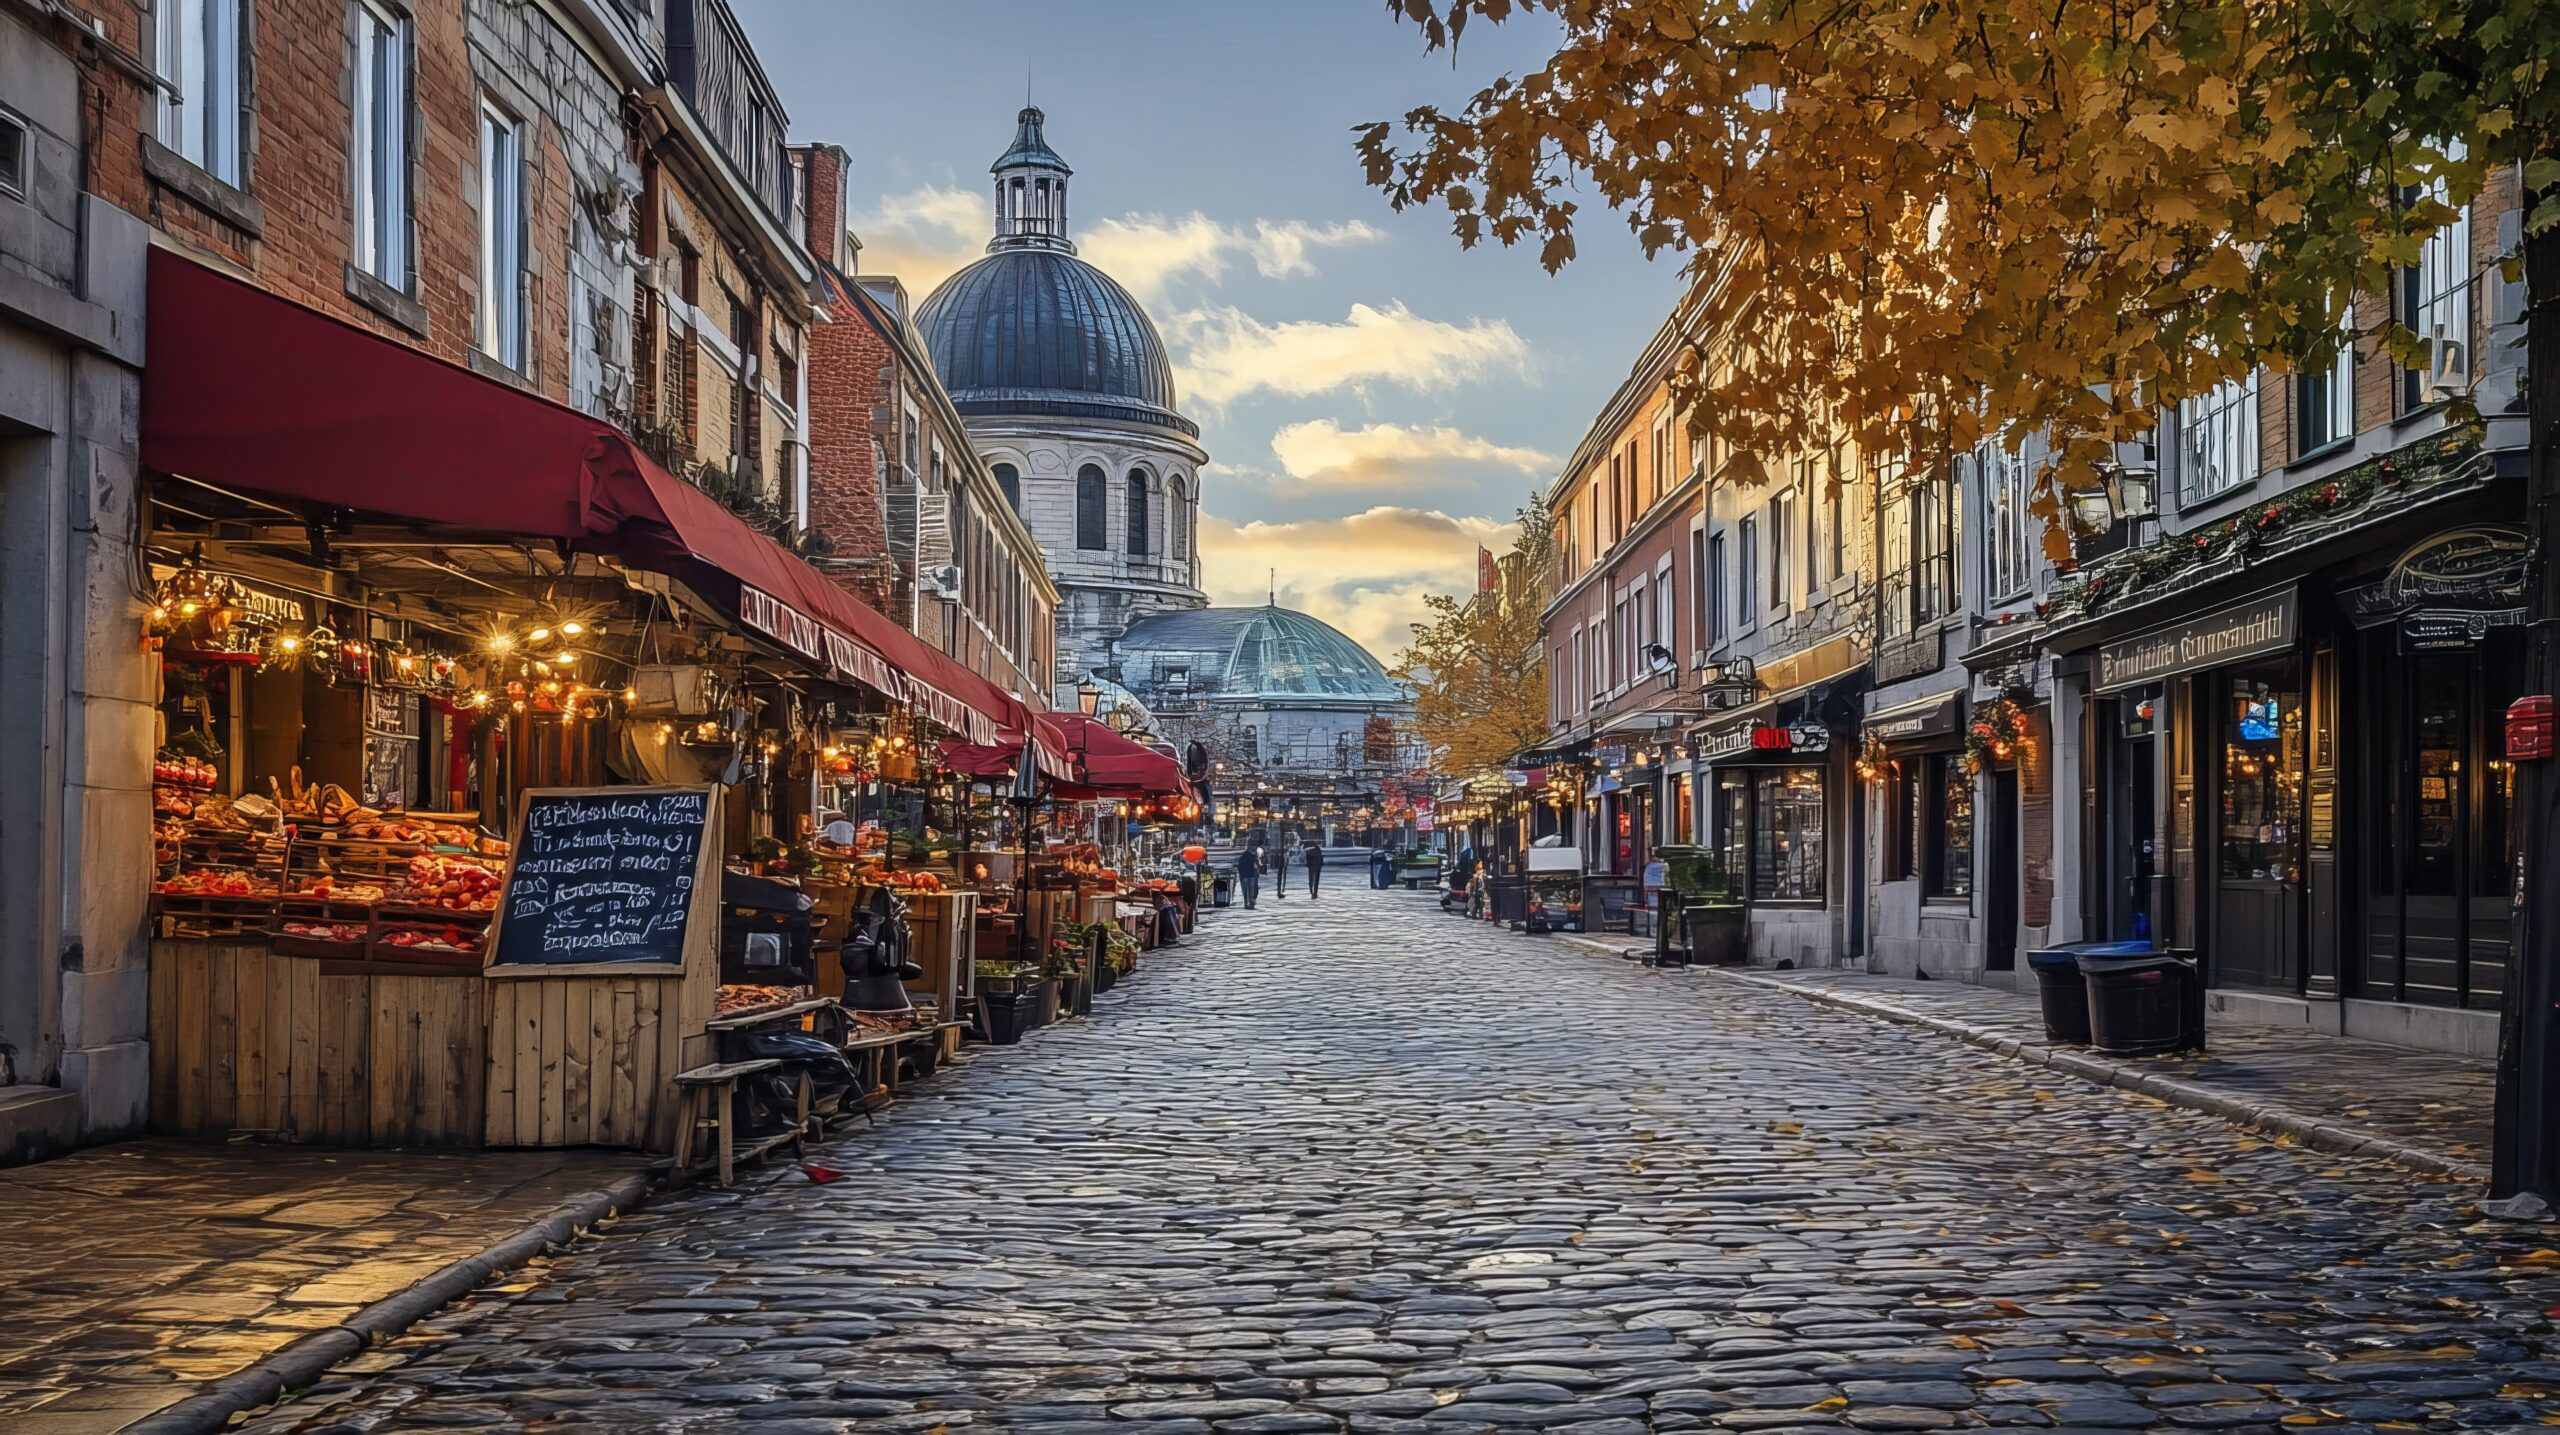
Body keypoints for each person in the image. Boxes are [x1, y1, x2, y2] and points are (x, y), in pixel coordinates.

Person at [1236, 841, 1262, 909]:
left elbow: (1239, 866)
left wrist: (1241, 875)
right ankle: (1250, 901)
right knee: (1251, 889)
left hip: (1245, 876)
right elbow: (1257, 866)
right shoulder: (1253, 857)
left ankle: (1246, 903)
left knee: (1245, 890)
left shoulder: (1242, 857)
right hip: (1251, 875)